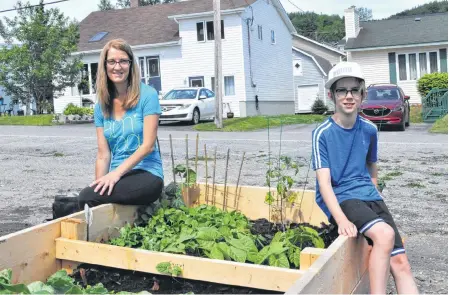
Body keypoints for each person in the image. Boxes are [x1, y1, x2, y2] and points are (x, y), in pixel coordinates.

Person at [311, 62, 419, 294]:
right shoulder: (323, 133)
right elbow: (323, 184)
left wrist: (375, 190)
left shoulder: (369, 129)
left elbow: (371, 166)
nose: (349, 96)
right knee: (384, 234)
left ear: (363, 95)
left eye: (354, 90)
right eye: (342, 90)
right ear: (332, 95)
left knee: (401, 264)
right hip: (343, 197)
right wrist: (340, 219)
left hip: (368, 195)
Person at [77, 38, 164, 209]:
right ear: (104, 66)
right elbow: (103, 155)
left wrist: (115, 174)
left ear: (131, 64)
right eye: (112, 61)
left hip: (147, 173)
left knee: (85, 198)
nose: (117, 67)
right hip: (118, 178)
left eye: (123, 61)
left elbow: (148, 146)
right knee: (88, 197)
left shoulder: (148, 95)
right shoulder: (101, 106)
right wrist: (98, 185)